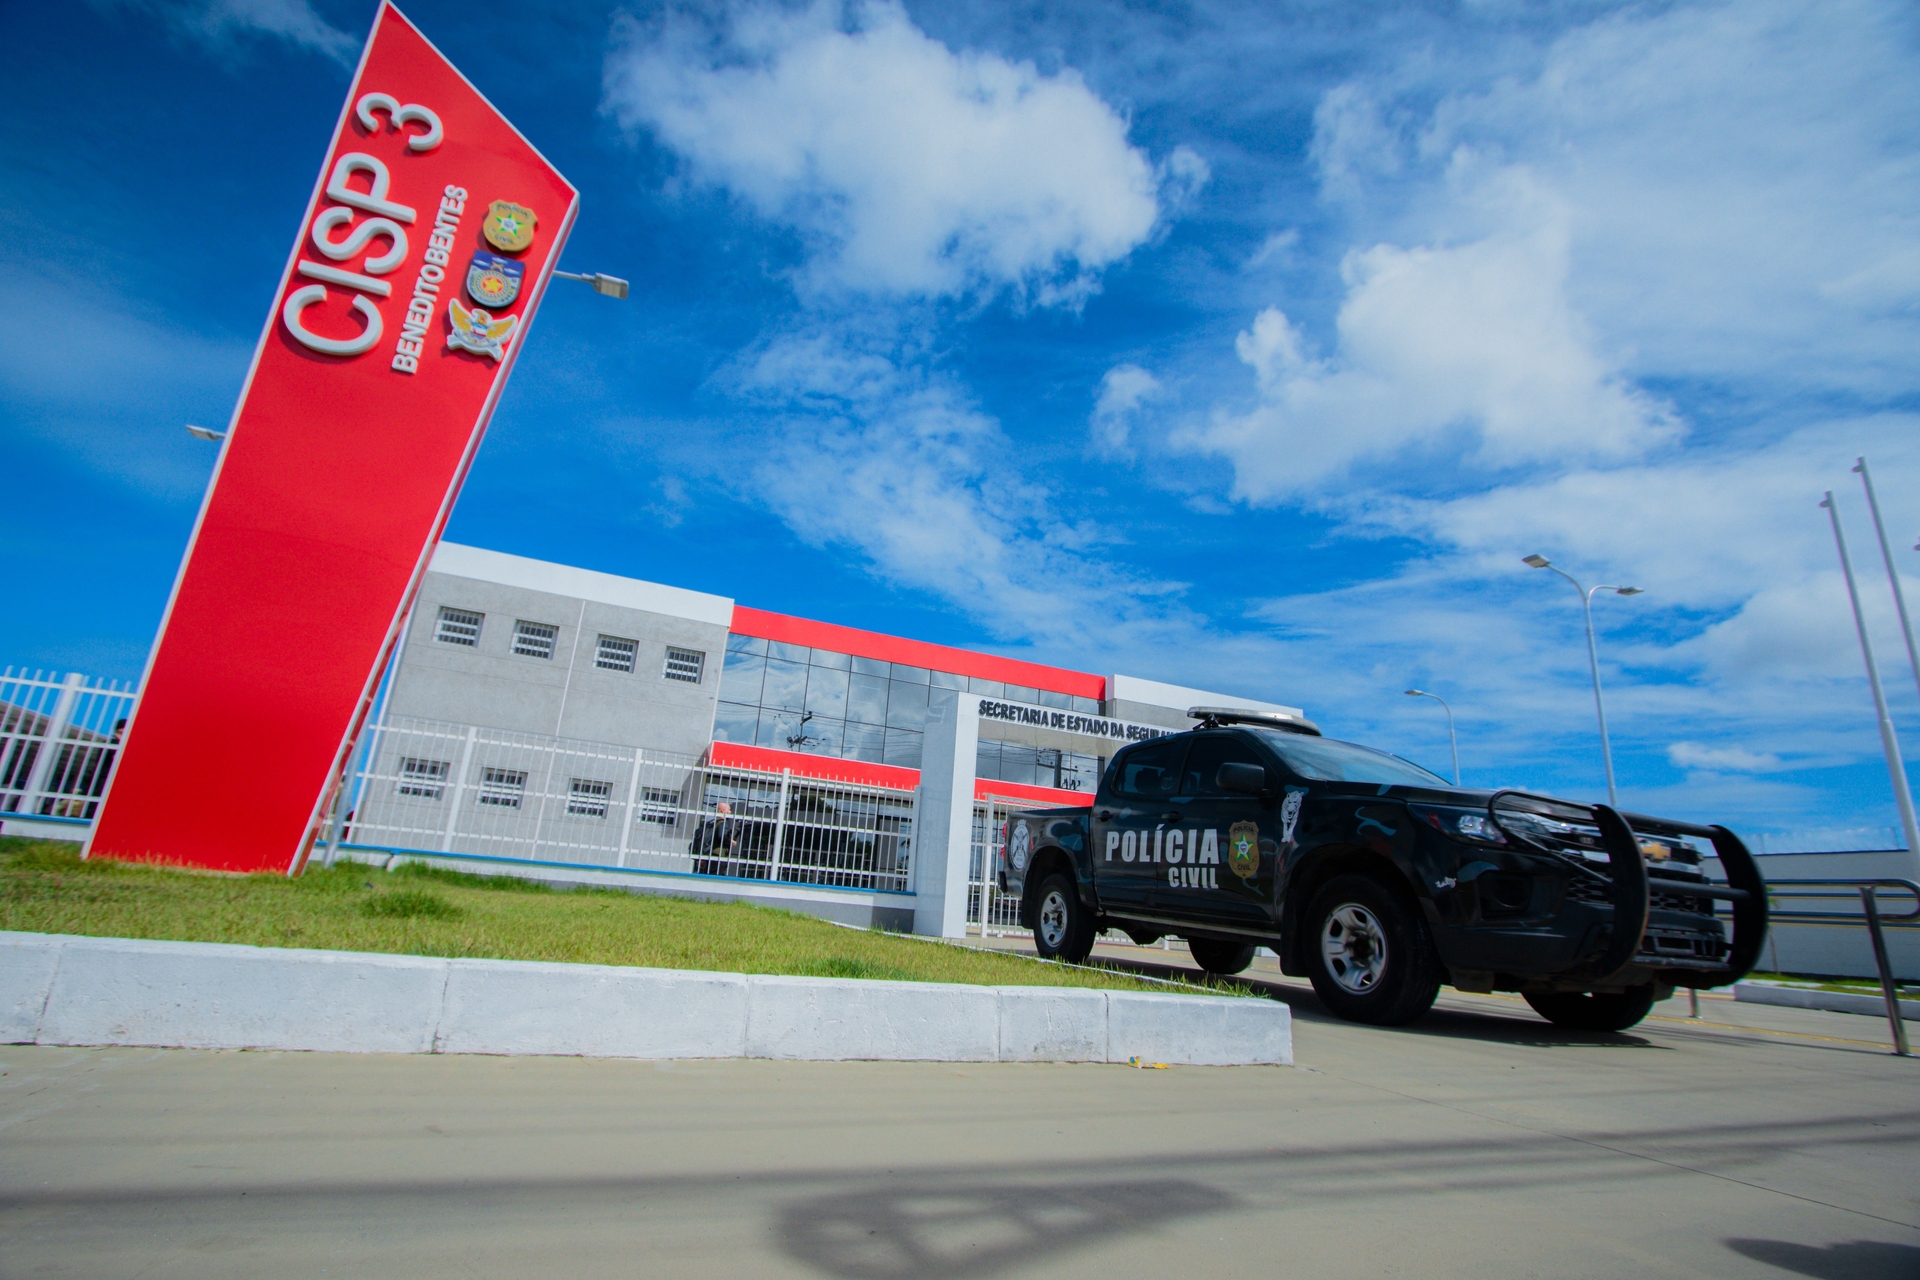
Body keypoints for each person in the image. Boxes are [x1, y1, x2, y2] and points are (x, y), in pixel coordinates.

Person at [690, 801, 745, 877]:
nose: (730, 812)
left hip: (708, 856)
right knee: (716, 879)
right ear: (722, 811)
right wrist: (730, 842)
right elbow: (721, 836)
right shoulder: (723, 822)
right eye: (728, 809)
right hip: (717, 857)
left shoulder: (712, 823)